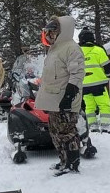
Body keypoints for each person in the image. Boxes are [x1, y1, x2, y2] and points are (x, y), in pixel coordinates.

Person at [36, 16, 85, 175]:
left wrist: (69, 96)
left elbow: (77, 73)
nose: (49, 35)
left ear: (61, 31)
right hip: (54, 100)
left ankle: (72, 164)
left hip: (65, 99)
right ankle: (63, 160)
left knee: (66, 132)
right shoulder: (54, 49)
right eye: (48, 32)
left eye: (52, 32)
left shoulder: (71, 48)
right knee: (55, 132)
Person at [78, 29, 110, 133]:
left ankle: (92, 126)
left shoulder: (76, 52)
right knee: (104, 105)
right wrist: (106, 77)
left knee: (89, 106)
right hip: (99, 85)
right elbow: (107, 66)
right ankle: (106, 125)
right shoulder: (98, 50)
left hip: (84, 85)